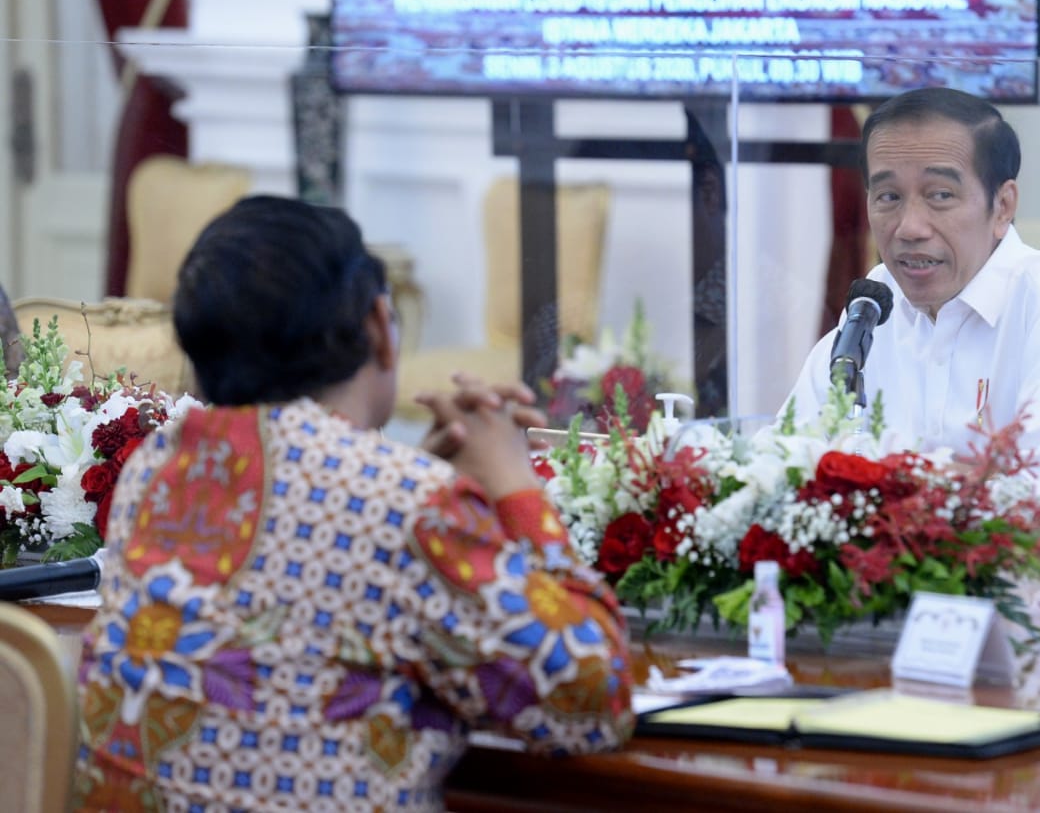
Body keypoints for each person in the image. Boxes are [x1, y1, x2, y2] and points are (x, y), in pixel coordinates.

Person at [74, 196, 634, 811]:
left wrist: (423, 485)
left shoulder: (156, 468)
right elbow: (592, 702)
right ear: (377, 326)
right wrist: (514, 487)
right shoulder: (405, 502)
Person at [783, 87, 1040, 546]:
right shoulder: (875, 301)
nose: (909, 228)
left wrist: (879, 476)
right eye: (888, 196)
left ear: (1003, 207)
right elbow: (786, 457)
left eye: (940, 195)